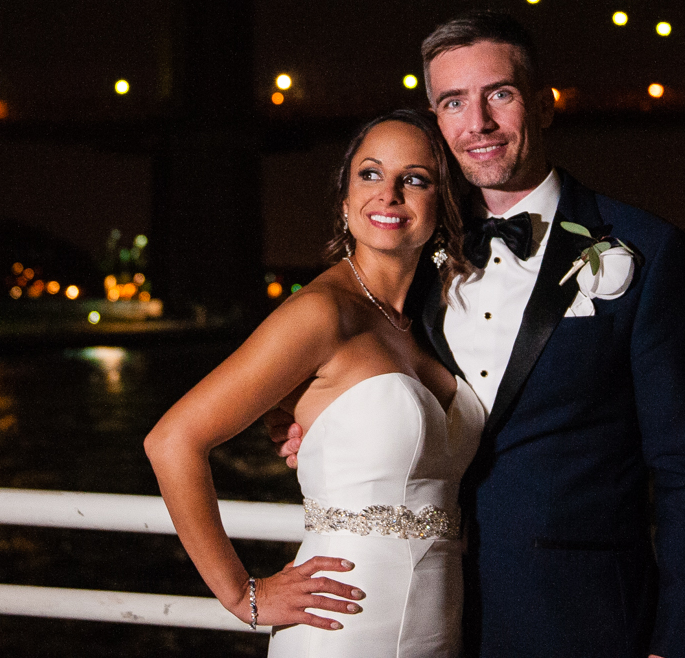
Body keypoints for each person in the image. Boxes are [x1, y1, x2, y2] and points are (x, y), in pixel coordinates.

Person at [271, 12, 685, 658]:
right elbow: (358, 367)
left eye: (500, 95)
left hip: (585, 624)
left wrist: (682, 641)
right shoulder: (421, 256)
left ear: (543, 106)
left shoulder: (647, 251)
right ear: (437, 121)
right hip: (427, 613)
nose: (477, 123)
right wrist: (301, 416)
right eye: (453, 102)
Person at [147, 110, 485, 655]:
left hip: (441, 627)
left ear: (442, 206)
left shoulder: (432, 324)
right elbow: (172, 441)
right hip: (340, 629)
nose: (389, 194)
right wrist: (242, 595)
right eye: (370, 175)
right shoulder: (321, 313)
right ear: (345, 199)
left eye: (415, 179)